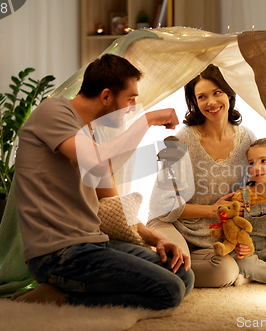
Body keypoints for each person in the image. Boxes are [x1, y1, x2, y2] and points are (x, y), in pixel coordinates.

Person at [11, 54, 194, 309]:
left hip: (93, 243)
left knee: (183, 275)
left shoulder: (92, 134)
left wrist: (156, 239)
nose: (133, 107)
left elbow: (111, 201)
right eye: (130, 99)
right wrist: (147, 120)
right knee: (169, 292)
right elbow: (94, 162)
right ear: (106, 96)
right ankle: (61, 297)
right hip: (57, 255)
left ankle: (71, 291)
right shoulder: (54, 111)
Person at [148, 64, 256, 288]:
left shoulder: (247, 140)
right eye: (202, 97)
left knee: (225, 271)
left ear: (229, 94)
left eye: (217, 93)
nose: (211, 102)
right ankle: (159, 259)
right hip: (172, 224)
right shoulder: (183, 140)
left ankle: (163, 263)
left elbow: (251, 190)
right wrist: (210, 210)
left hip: (213, 235)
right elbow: (162, 205)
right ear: (195, 103)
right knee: (180, 262)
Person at [230, 137, 266, 285]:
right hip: (252, 250)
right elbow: (233, 228)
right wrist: (239, 245)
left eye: (263, 161)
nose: (256, 167)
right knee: (243, 263)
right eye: (251, 163)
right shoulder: (242, 194)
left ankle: (254, 275)